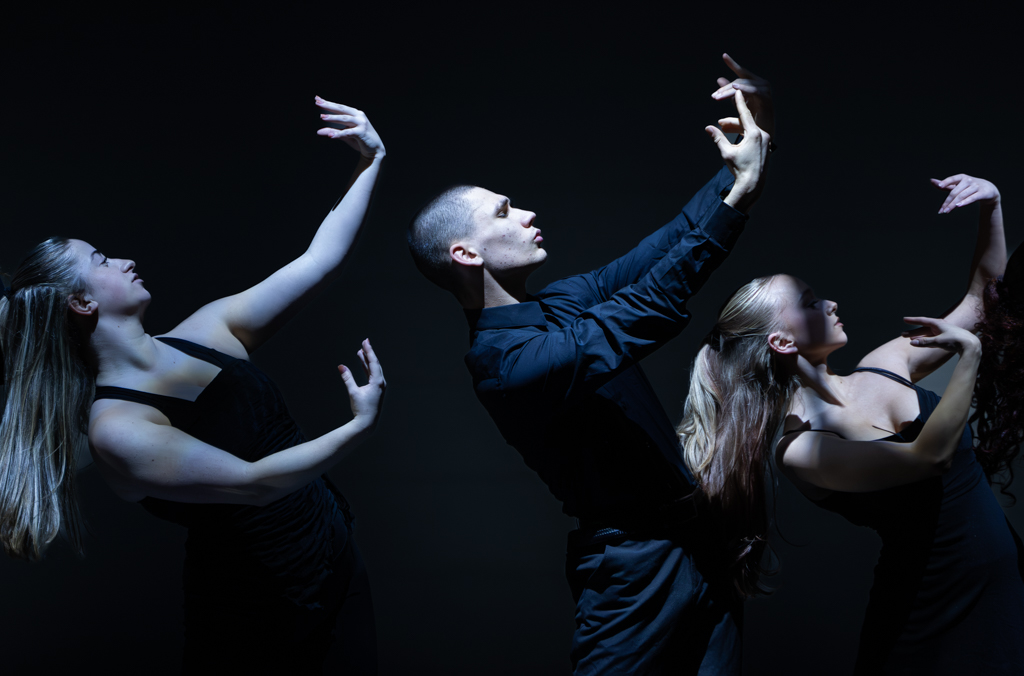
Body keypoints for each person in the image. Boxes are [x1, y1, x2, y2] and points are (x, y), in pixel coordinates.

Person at [407, 54, 772, 674]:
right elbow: (647, 304)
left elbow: (669, 243)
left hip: (695, 540)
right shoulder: (505, 363)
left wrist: (740, 153)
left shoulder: (560, 301)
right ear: (464, 252)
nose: (525, 214)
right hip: (634, 564)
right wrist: (741, 195)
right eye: (502, 212)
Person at [0, 97, 386, 673]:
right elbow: (255, 483)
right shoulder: (118, 429)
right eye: (101, 259)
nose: (124, 260)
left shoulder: (205, 329)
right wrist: (358, 426)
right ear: (81, 301)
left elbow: (319, 259)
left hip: (332, 563)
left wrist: (371, 160)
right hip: (257, 620)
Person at [678, 173, 1024, 674]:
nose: (831, 303)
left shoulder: (885, 362)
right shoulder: (802, 450)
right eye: (810, 301)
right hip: (928, 618)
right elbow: (930, 457)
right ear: (781, 342)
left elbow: (982, 300)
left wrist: (990, 204)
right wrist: (966, 360)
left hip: (1006, 584)